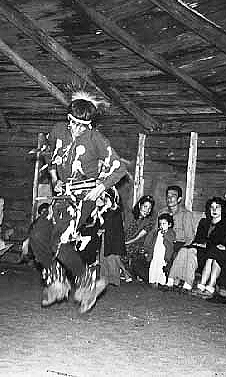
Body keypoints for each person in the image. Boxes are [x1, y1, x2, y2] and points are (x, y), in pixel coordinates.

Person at [29, 92, 127, 313]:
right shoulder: (58, 130)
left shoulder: (96, 139)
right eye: (73, 124)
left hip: (84, 198)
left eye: (83, 126)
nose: (77, 130)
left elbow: (119, 168)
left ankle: (87, 282)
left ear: (90, 124)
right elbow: (48, 152)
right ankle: (57, 281)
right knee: (37, 235)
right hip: (62, 196)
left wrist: (100, 188)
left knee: (59, 240)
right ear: (68, 118)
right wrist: (54, 179)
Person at [160, 185, 197, 289]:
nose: (169, 198)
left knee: (178, 252)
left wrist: (183, 248)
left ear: (179, 199)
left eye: (173, 196)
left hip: (179, 244)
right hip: (163, 242)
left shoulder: (186, 214)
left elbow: (190, 238)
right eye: (168, 196)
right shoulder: (162, 212)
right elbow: (156, 231)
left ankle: (173, 278)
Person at [194, 197, 226, 297]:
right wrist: (203, 244)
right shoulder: (204, 222)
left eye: (217, 207)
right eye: (212, 207)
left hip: (218, 254)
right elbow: (198, 239)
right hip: (205, 252)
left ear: (222, 209)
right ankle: (204, 286)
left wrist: (207, 244)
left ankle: (208, 286)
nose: (214, 210)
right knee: (212, 254)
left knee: (214, 254)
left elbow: (222, 243)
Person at [97, 188, 129, 286]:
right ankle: (104, 278)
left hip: (113, 240)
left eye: (107, 200)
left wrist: (103, 229)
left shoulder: (116, 212)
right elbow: (102, 222)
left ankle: (114, 279)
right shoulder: (106, 211)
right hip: (105, 238)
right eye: (104, 200)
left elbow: (111, 225)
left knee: (112, 259)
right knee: (103, 258)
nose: (105, 202)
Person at [124, 195, 155, 281]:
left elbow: (137, 238)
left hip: (135, 245)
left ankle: (127, 271)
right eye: (145, 207)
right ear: (139, 205)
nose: (147, 210)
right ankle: (125, 271)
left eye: (149, 208)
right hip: (123, 242)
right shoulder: (129, 215)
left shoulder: (149, 221)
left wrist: (126, 243)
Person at [145, 213, 176, 286]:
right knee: (153, 267)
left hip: (163, 255)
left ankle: (161, 282)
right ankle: (153, 281)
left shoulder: (171, 233)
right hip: (156, 254)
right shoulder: (157, 233)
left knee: (161, 268)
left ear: (169, 224)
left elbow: (170, 242)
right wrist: (149, 252)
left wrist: (164, 234)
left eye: (164, 224)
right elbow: (152, 243)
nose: (162, 226)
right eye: (160, 224)